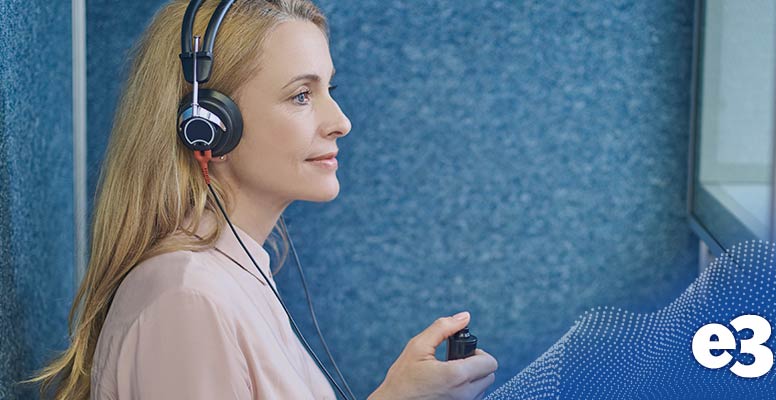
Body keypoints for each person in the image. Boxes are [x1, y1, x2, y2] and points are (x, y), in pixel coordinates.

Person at [27, 0, 498, 399]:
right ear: (208, 125)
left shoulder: (233, 276)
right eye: (300, 95)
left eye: (328, 90)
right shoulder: (188, 299)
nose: (341, 121)